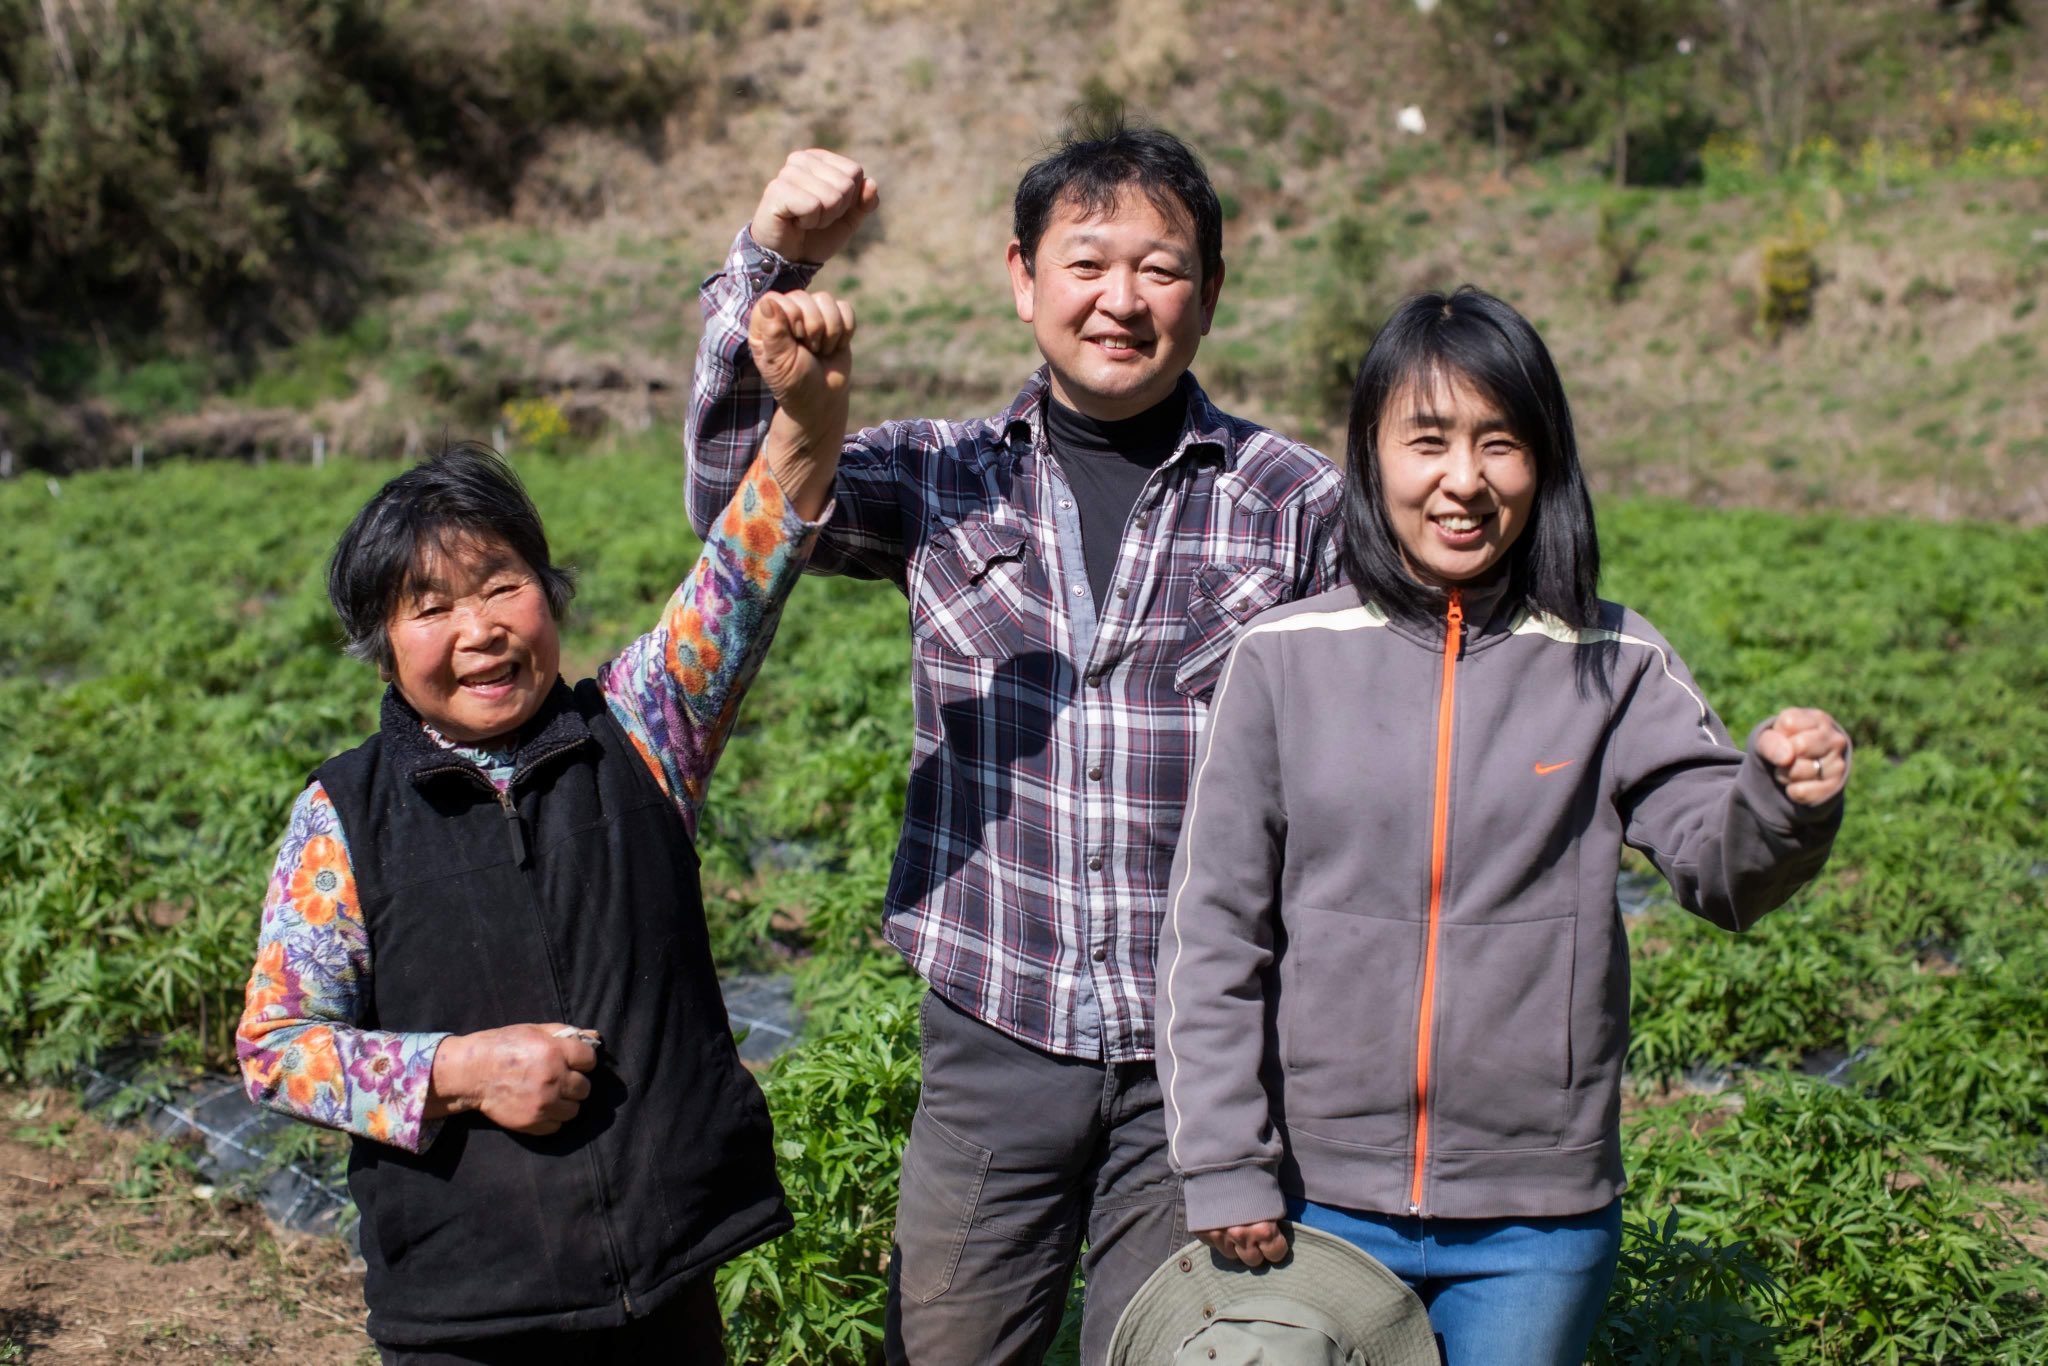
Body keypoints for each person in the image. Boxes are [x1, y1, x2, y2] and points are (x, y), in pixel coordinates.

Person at [685, 122, 1344, 1364]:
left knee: (1170, 1353)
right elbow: (737, 504)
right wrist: (769, 264)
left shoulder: (1293, 504)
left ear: (1207, 293)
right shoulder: (940, 476)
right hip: (992, 1038)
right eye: (1087, 261)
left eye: (1159, 268)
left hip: (1200, 1069)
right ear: (1021, 276)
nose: (1120, 299)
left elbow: (1397, 727)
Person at [1155, 286, 1851, 1364]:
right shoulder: (1281, 658)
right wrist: (1224, 1160)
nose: (1463, 481)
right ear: (1371, 455)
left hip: (1536, 1216)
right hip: (1311, 1198)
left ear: (1544, 461)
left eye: (1499, 443)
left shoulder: (1611, 662)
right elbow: (1214, 936)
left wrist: (1777, 802)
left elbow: (1720, 872)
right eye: (1425, 441)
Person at [235, 288, 858, 1363]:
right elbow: (276, 1048)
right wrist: (462, 1069)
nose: (477, 630)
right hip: (467, 1315)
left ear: (548, 595)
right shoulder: (341, 816)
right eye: (430, 608)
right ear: (385, 647)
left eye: (501, 585)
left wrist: (806, 417)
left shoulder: (642, 727)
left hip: (663, 1289)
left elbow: (749, 563)